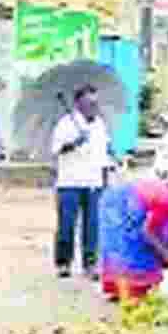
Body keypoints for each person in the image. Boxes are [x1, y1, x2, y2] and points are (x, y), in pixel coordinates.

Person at [98, 178, 168, 301]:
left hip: (131, 200)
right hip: (119, 203)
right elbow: (148, 232)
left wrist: (166, 254)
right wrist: (165, 255)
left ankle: (133, 288)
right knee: (127, 246)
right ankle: (125, 288)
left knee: (146, 249)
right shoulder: (166, 202)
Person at [50, 85, 113, 279]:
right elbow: (56, 149)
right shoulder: (66, 124)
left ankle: (90, 264)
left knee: (92, 226)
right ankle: (63, 263)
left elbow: (103, 153)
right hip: (70, 182)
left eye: (95, 103)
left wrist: (105, 179)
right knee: (67, 225)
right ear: (78, 103)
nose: (92, 106)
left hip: (94, 182)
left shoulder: (100, 125)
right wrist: (75, 143)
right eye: (88, 102)